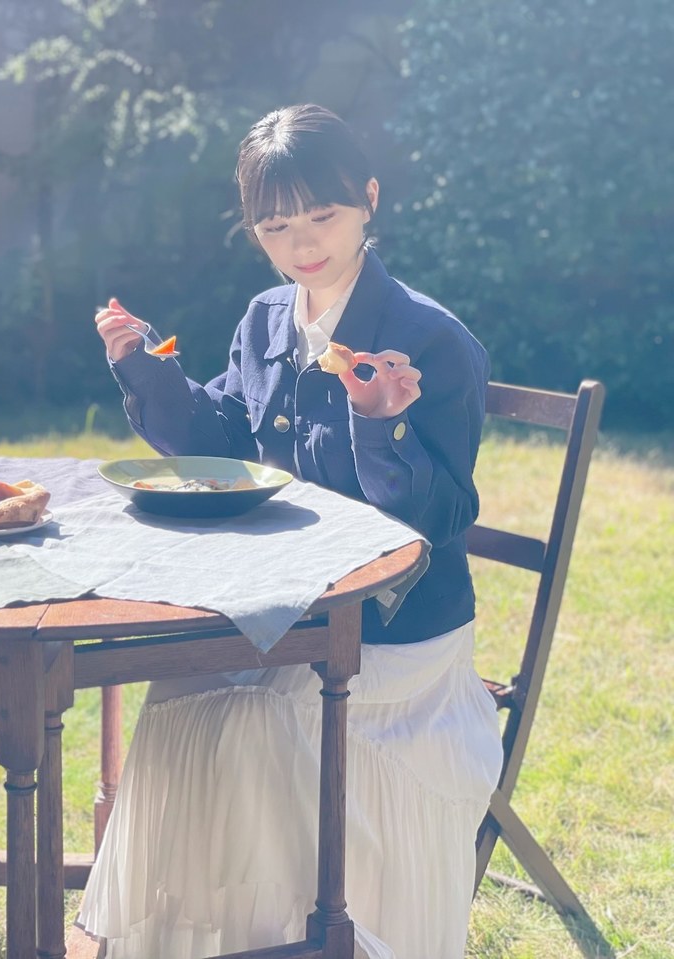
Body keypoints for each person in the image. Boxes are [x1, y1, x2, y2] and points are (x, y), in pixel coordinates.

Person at [77, 103, 504, 959]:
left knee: (250, 725)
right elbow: (225, 442)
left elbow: (443, 517)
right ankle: (226, 941)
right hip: (292, 612)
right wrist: (144, 367)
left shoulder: (431, 339)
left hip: (397, 638)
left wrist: (381, 425)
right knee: (178, 695)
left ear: (369, 199)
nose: (303, 243)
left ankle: (314, 934)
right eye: (276, 226)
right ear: (254, 231)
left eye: (324, 215)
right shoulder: (267, 319)